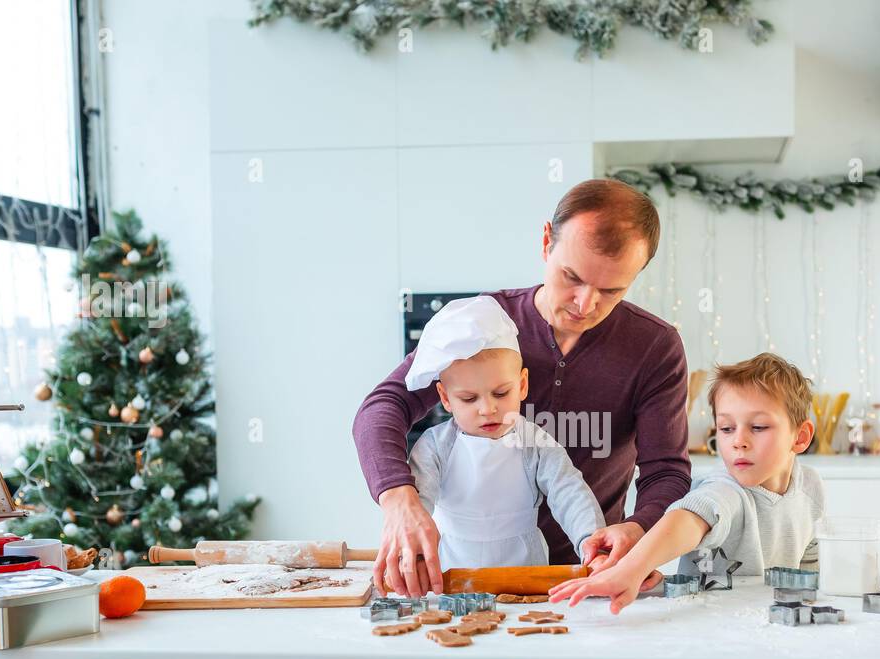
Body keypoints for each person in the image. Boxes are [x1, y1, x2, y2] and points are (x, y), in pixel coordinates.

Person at [352, 179, 691, 597]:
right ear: (547, 240)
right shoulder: (483, 324)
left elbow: (667, 472)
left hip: (590, 575)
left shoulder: (654, 346)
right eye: (572, 277)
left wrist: (638, 532)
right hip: (465, 574)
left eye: (611, 290)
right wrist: (398, 499)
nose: (585, 305)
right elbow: (383, 406)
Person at [549, 352, 825, 614]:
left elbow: (809, 566)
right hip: (704, 623)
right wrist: (629, 571)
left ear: (800, 437)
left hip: (768, 623)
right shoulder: (726, 487)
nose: (738, 441)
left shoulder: (810, 486)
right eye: (726, 428)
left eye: (758, 427)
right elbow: (692, 516)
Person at [404, 294, 604, 570]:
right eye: (469, 399)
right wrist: (411, 551)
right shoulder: (434, 447)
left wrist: (591, 543)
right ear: (445, 398)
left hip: (525, 570)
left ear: (522, 385)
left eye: (501, 393)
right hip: (450, 570)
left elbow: (570, 493)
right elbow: (416, 506)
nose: (487, 409)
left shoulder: (536, 443)